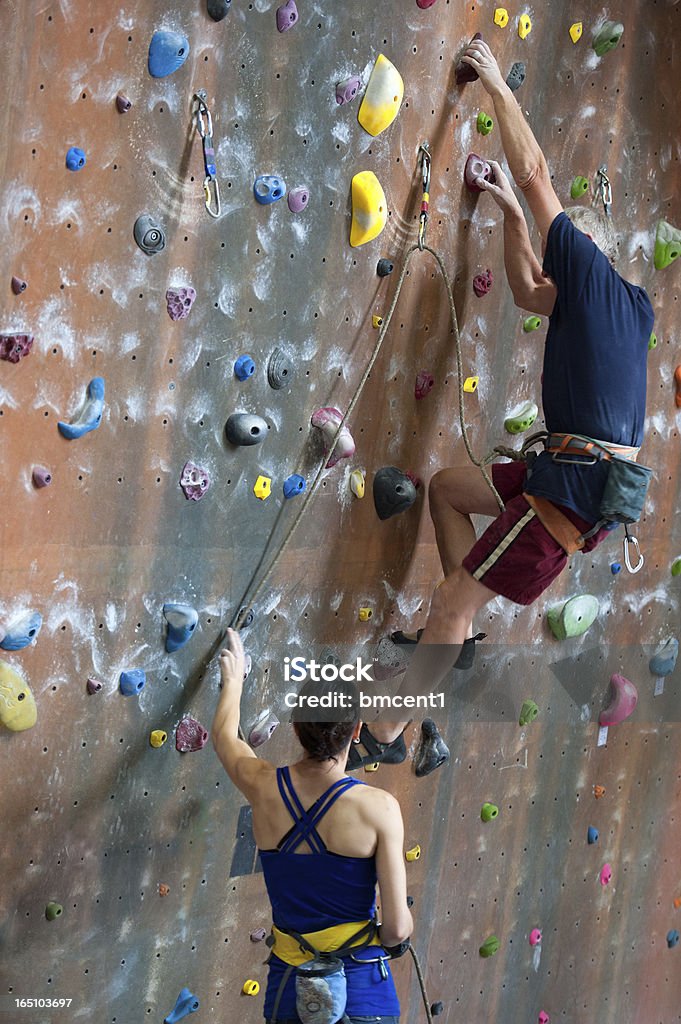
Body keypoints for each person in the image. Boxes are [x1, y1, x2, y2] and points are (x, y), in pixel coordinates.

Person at [350, 37, 654, 773]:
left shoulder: (582, 264)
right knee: (448, 492)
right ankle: (455, 638)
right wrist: (512, 216)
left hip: (567, 496)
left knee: (451, 601)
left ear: (578, 253)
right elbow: (526, 292)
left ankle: (384, 735)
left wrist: (494, 87)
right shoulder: (627, 306)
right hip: (567, 479)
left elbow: (537, 169)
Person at [211, 628, 413, 1024]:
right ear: (357, 731)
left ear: (295, 728)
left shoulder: (264, 787)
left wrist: (233, 680)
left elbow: (224, 738)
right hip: (362, 992)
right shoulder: (379, 809)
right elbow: (395, 930)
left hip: (291, 989)